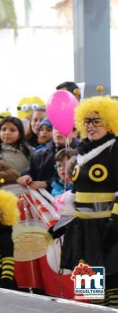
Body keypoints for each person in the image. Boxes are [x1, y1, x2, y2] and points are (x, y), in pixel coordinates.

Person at [60, 96, 118, 308]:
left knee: (112, 282)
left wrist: (115, 220)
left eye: (96, 121)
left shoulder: (115, 149)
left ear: (110, 122)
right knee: (90, 288)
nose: (90, 126)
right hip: (83, 229)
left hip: (108, 226)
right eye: (86, 121)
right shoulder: (82, 150)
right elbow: (76, 191)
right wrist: (63, 222)